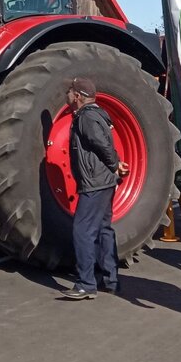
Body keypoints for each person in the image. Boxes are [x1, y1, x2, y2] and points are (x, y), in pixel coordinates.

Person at [60, 77, 129, 300]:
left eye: (70, 91)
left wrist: (114, 164)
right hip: (104, 180)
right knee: (103, 228)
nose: (67, 94)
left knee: (82, 230)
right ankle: (111, 279)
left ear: (78, 96)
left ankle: (85, 284)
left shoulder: (86, 117)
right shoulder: (98, 114)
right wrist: (115, 166)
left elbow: (101, 144)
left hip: (95, 181)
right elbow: (107, 144)